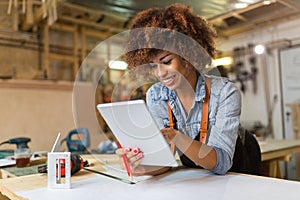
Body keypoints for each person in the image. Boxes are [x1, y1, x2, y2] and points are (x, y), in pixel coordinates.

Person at [115, 3, 241, 176]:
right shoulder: (156, 96)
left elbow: (221, 164)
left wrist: (175, 136)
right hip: (200, 180)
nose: (160, 73)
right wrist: (139, 168)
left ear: (187, 56)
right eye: (153, 66)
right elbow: (166, 163)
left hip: (238, 176)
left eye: (167, 62)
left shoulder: (225, 93)